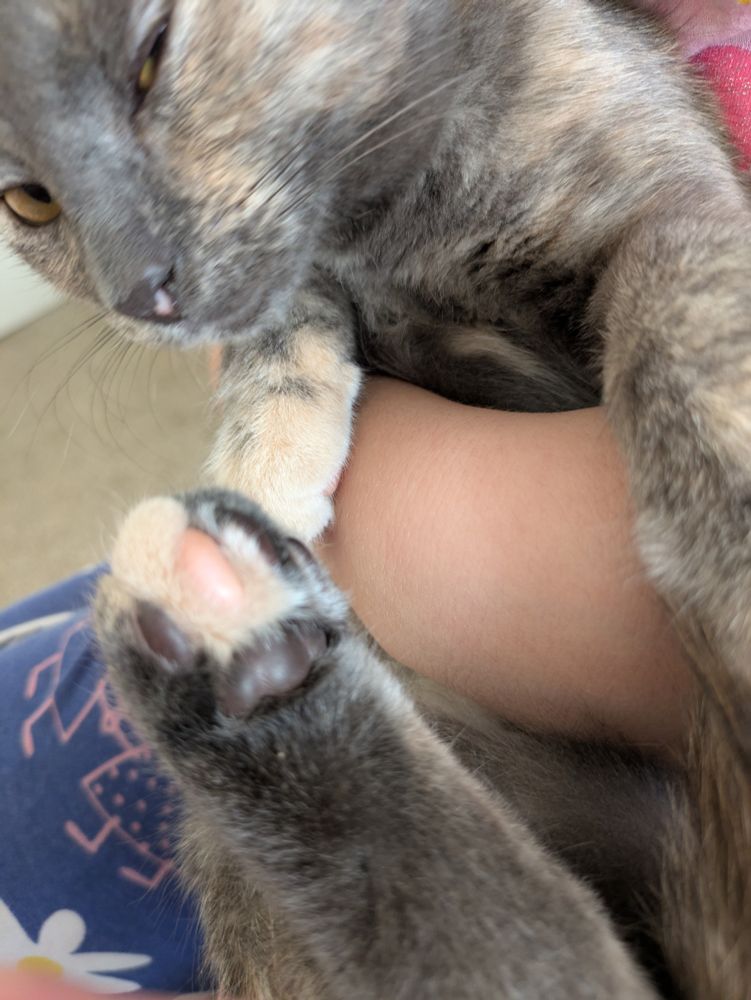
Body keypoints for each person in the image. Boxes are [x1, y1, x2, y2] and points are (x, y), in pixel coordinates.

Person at [3, 3, 751, 996]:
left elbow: (660, 212)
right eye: (34, 202)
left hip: (491, 632)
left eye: (148, 62)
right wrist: (279, 324)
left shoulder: (533, 60)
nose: (132, 281)